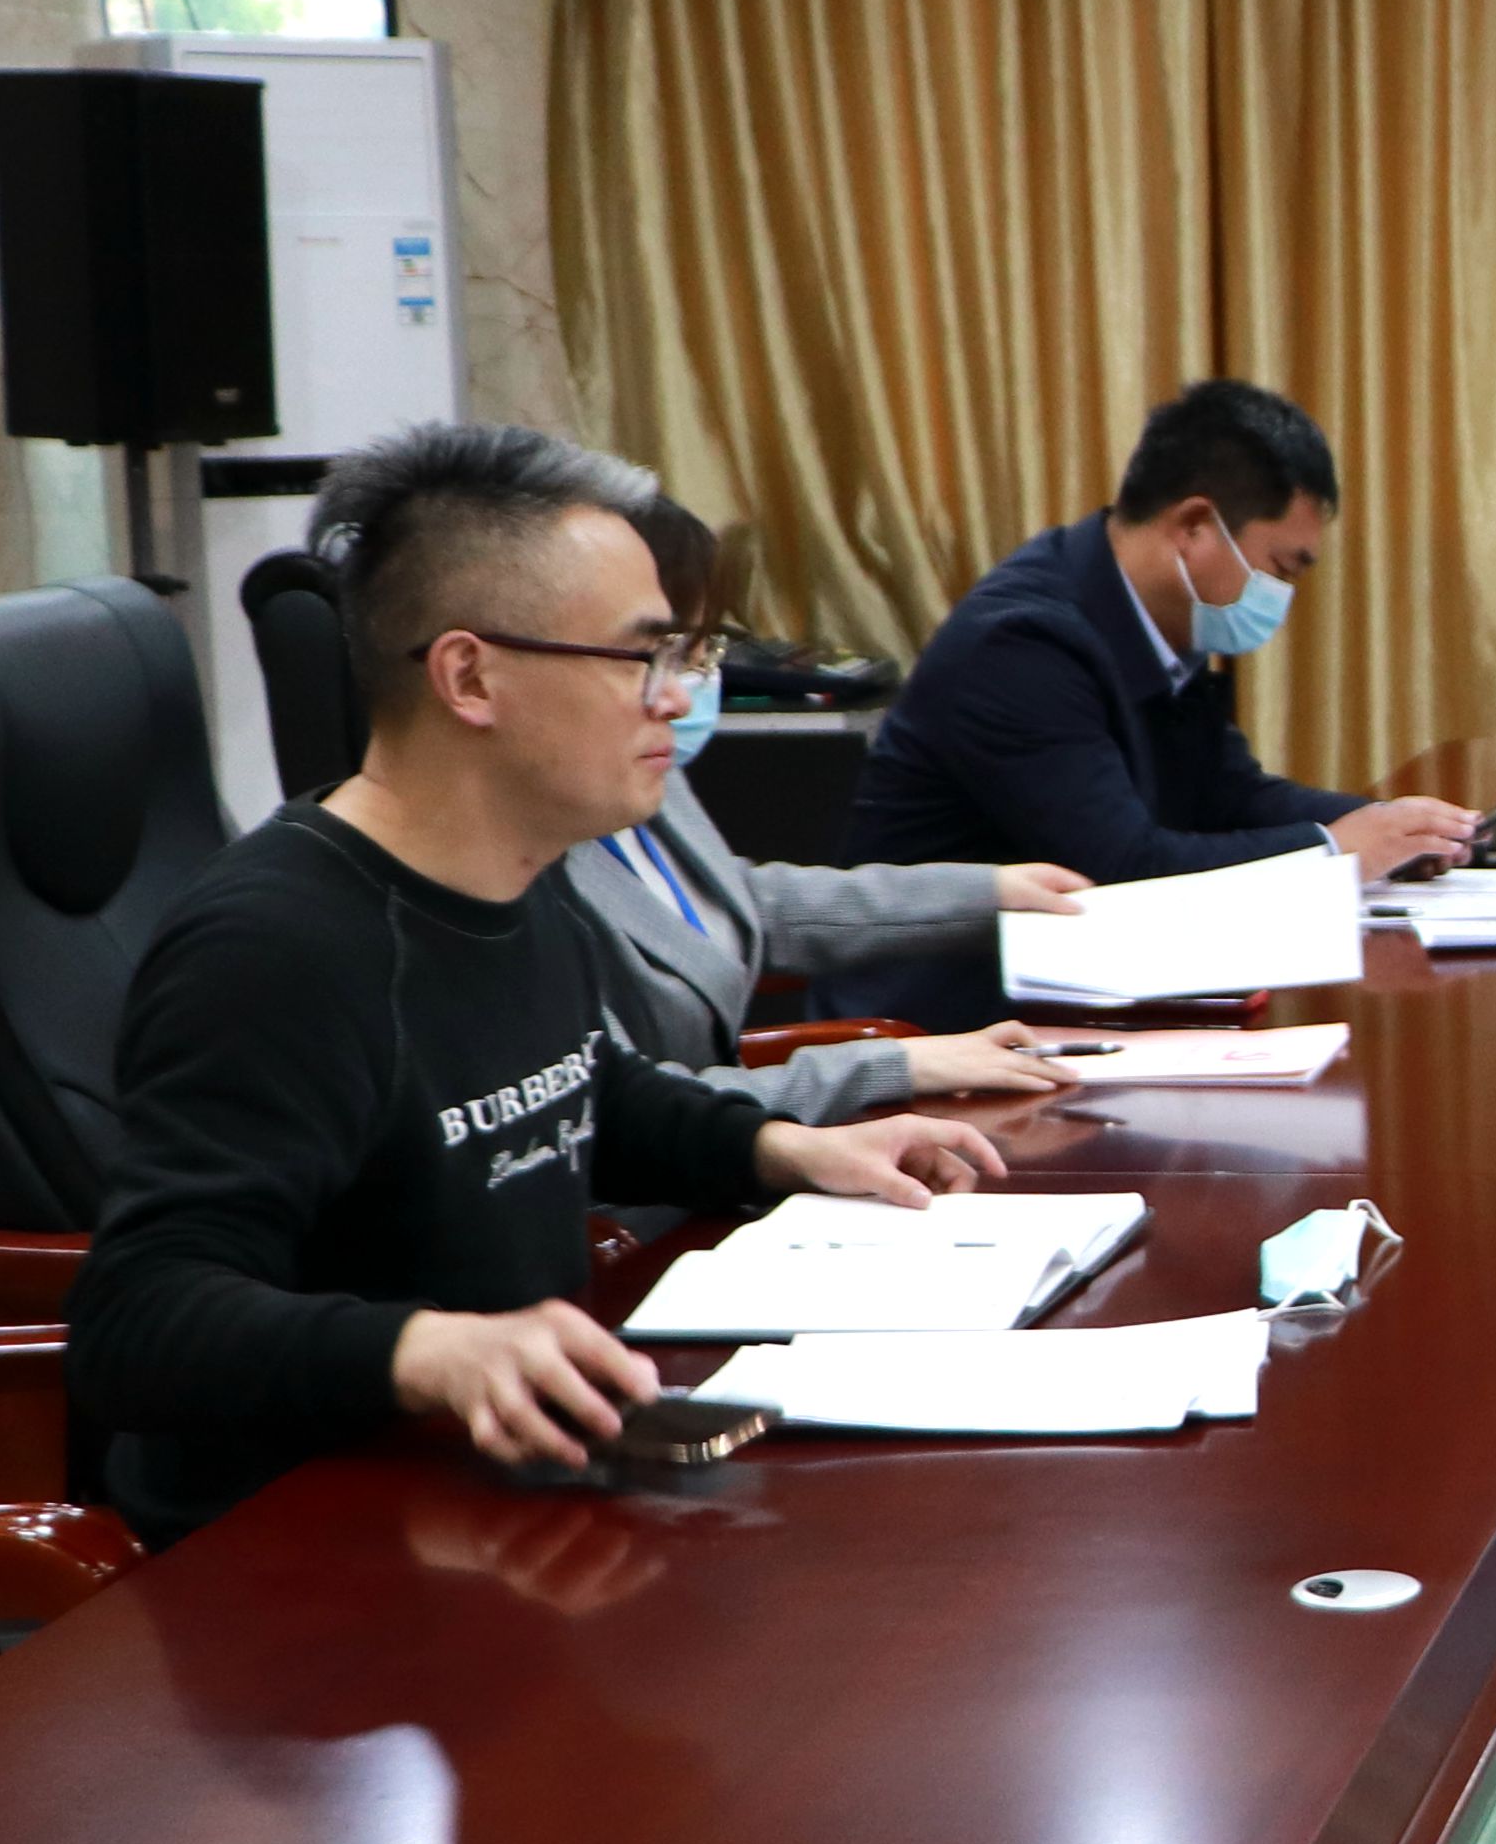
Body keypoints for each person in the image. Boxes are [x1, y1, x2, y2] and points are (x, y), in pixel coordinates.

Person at [71, 425, 1011, 1538]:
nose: (675, 697)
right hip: (313, 1548)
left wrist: (782, 1147)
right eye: (640, 657)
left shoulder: (519, 868)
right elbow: (138, 1321)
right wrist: (431, 1348)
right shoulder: (274, 947)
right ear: (470, 676)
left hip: (516, 1494)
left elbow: (580, 1085)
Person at [840, 379, 1480, 1018]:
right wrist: (1333, 850)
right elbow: (1122, 869)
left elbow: (1228, 794)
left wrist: (1390, 829)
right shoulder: (1022, 644)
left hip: (1082, 994)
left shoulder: (1154, 621)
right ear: (1195, 527)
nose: (1282, 596)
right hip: (942, 1024)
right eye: (1281, 569)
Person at [564, 494, 1091, 1120]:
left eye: (697, 653)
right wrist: (892, 1066)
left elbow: (739, 903)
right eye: (658, 655)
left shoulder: (646, 762)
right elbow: (623, 1116)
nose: (679, 694)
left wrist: (987, 895)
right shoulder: (527, 846)